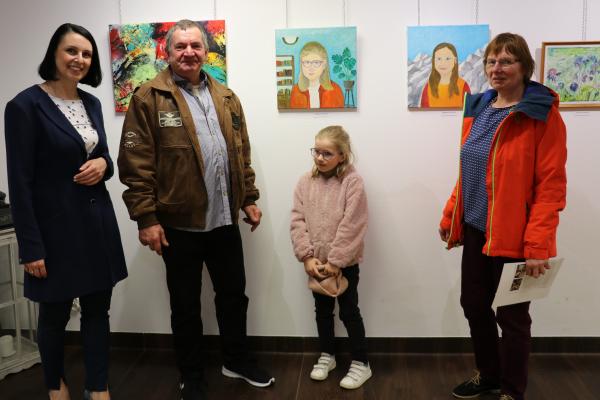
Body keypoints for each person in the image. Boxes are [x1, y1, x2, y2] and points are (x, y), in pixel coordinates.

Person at [117, 19, 274, 400]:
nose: (189, 52)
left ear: (206, 51)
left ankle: (236, 360)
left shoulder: (226, 96)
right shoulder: (148, 98)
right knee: (185, 306)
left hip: (224, 219)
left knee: (234, 296)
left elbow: (240, 152)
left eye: (196, 46)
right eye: (180, 46)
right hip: (178, 224)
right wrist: (146, 218)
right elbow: (136, 164)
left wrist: (249, 198)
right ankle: (191, 374)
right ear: (166, 52)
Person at [439, 33, 567, 400]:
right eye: (492, 61)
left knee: (512, 318)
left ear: (525, 67)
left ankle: (512, 391)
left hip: (516, 235)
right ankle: (489, 375)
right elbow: (469, 170)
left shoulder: (540, 114)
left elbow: (551, 185)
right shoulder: (479, 108)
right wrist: (451, 214)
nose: (497, 68)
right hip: (476, 229)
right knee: (473, 305)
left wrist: (538, 244)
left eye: (507, 61)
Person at [4, 23, 128, 400]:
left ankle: (98, 386)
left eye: (86, 54)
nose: (79, 59)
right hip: (54, 231)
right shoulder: (24, 106)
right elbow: (20, 182)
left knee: (97, 310)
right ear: (54, 54)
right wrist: (31, 247)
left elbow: (104, 156)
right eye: (71, 51)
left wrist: (104, 165)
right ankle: (55, 384)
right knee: (54, 315)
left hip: (96, 224)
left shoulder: (91, 103)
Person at [290, 125, 371, 389]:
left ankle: (361, 362)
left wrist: (336, 261)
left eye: (327, 153)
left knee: (349, 311)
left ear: (342, 155)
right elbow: (297, 220)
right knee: (322, 312)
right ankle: (327, 355)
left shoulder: (352, 182)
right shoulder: (305, 182)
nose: (320, 158)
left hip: (344, 264)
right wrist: (306, 257)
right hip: (316, 264)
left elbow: (353, 223)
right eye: (316, 151)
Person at [289, 41, 344, 109]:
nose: (311, 68)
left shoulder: (335, 90)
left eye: (316, 62)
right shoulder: (296, 91)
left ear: (324, 64)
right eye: (307, 62)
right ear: (301, 65)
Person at [420, 42, 471, 108]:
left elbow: (469, 111)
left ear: (455, 60)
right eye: (439, 59)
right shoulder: (428, 87)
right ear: (433, 61)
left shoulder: (463, 86)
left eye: (447, 58)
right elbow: (423, 112)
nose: (443, 63)